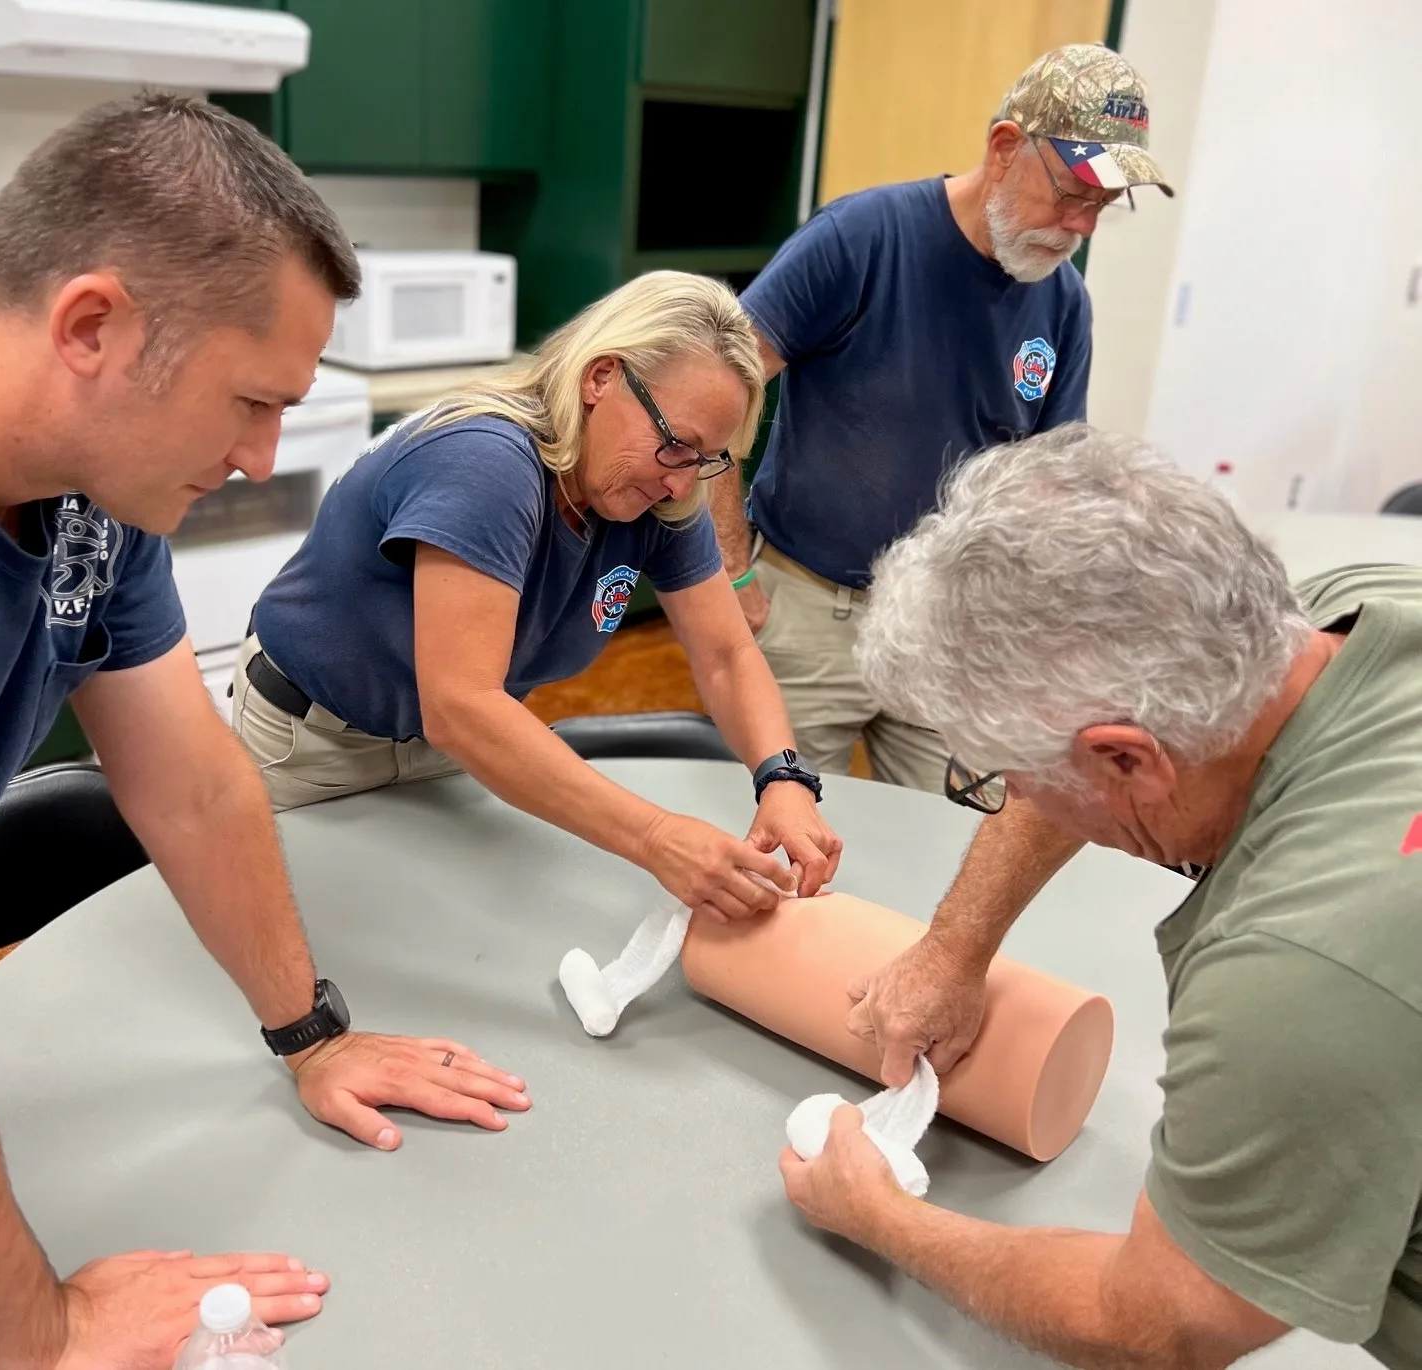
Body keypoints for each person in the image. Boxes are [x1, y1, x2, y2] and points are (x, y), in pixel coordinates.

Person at [0, 95, 532, 1370]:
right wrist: (46, 1326)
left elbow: (191, 783)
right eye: (250, 401)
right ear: (93, 326)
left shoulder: (93, 485)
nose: (261, 457)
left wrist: (314, 1033)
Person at [781, 424, 1422, 1369]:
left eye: (1005, 775)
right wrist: (957, 946)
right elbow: (1095, 758)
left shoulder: (1296, 973)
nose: (1011, 799)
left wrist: (879, 1217)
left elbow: (1159, 1323)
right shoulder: (1347, 613)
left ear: (1127, 759)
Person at [233, 272, 843, 921]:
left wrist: (784, 777)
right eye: (675, 445)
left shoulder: (663, 491)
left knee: (441, 929)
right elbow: (462, 706)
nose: (679, 482)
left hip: (444, 753)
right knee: (324, 939)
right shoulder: (488, 463)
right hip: (315, 746)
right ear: (600, 378)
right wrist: (658, 838)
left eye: (706, 460)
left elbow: (725, 653)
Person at [711, 43, 1171, 793]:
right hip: (805, 611)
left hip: (953, 632)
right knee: (780, 848)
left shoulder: (1063, 304)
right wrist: (730, 573)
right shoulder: (859, 238)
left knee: (956, 849)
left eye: (1102, 205)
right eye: (1072, 192)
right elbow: (711, 400)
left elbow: (1051, 487)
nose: (1081, 225)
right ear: (1004, 148)